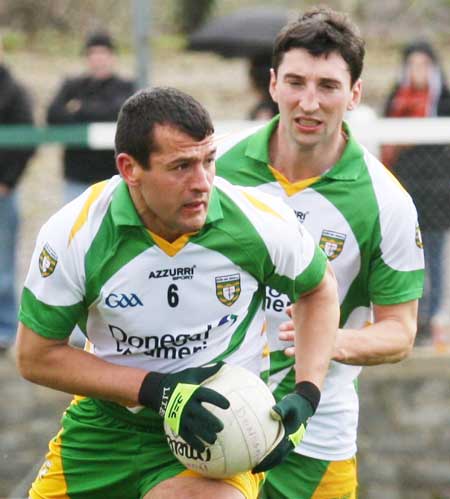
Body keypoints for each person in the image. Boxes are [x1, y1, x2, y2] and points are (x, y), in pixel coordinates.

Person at [16, 87, 340, 499]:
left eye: (209, 161)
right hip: (108, 426)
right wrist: (157, 390)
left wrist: (307, 392)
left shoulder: (259, 223)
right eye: (182, 166)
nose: (202, 183)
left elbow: (319, 289)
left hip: (213, 434)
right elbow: (35, 356)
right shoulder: (75, 235)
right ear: (129, 168)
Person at [215, 7, 425, 499]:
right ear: (272, 85)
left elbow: (400, 331)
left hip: (316, 436)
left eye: (328, 86)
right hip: (217, 418)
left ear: (354, 94)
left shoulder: (385, 201)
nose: (309, 102)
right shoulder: (216, 170)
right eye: (296, 82)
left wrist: (328, 340)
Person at [382, 40, 450, 347]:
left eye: (424, 65)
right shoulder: (397, 98)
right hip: (404, 191)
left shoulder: (443, 99)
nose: (418, 71)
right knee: (406, 256)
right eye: (413, 64)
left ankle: (433, 314)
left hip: (436, 194)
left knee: (434, 256)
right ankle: (410, 318)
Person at [47, 30, 134, 203]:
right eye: (93, 54)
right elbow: (53, 115)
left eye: (103, 53)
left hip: (115, 177)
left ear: (112, 56)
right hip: (77, 176)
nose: (98, 59)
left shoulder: (125, 87)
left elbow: (120, 114)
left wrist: (79, 109)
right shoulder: (73, 86)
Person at [0, 36, 35, 351]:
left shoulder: (13, 92)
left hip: (2, 194)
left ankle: (5, 329)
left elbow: (26, 140)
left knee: (2, 266)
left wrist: (7, 182)